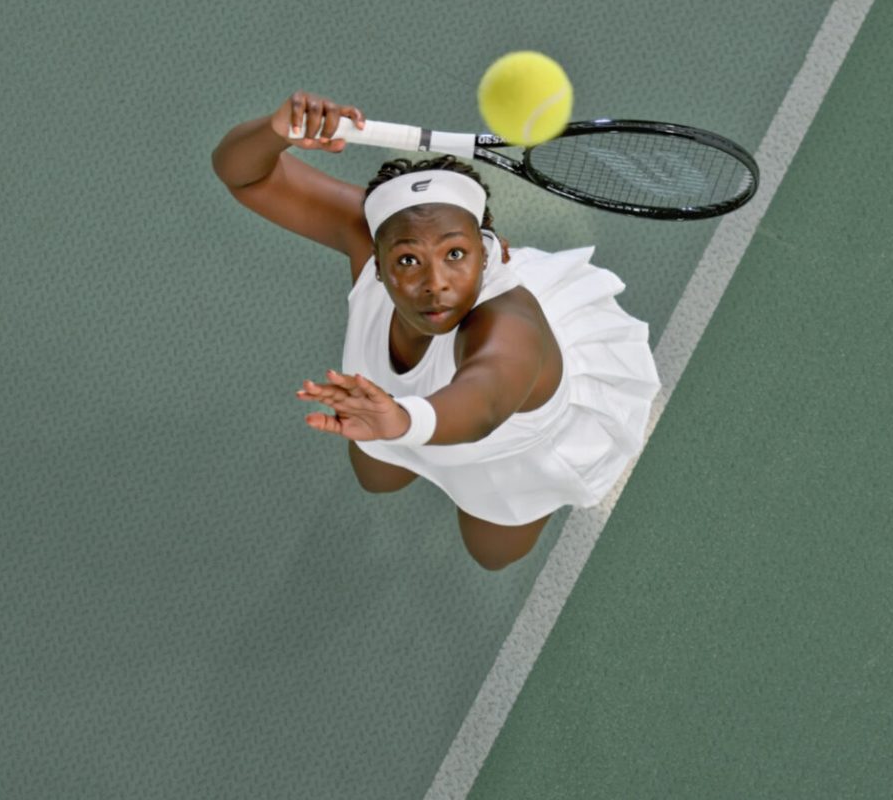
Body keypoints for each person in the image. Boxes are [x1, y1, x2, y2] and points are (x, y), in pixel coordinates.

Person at [211, 91, 659, 570]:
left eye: (455, 254)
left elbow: (484, 399)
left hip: (505, 449)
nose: (435, 284)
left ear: (486, 252)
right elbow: (244, 173)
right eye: (408, 260)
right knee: (378, 476)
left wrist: (404, 422)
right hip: (399, 415)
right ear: (377, 263)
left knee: (490, 553)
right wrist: (276, 131)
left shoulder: (511, 327)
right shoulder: (365, 240)